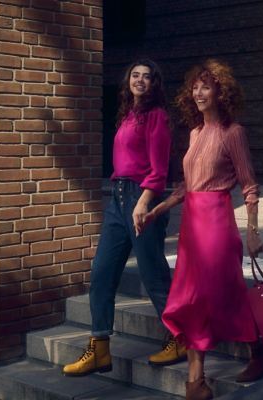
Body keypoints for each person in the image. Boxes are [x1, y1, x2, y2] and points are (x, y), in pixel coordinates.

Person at [139, 59, 263, 400]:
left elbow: (250, 186)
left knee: (218, 294)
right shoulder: (195, 133)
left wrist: (253, 232)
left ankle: (253, 351)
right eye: (195, 87)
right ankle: (196, 382)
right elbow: (186, 187)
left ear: (220, 92)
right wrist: (157, 210)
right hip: (191, 227)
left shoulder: (233, 132)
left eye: (206, 87)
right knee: (194, 297)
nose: (198, 93)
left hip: (217, 223)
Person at [62, 59, 187, 377]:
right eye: (135, 75)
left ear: (154, 83)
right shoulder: (128, 114)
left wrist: (143, 204)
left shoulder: (156, 117)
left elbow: (159, 172)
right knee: (102, 274)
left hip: (141, 199)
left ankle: (179, 336)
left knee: (153, 274)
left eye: (147, 76)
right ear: (128, 80)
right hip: (117, 200)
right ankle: (100, 348)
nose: (140, 80)